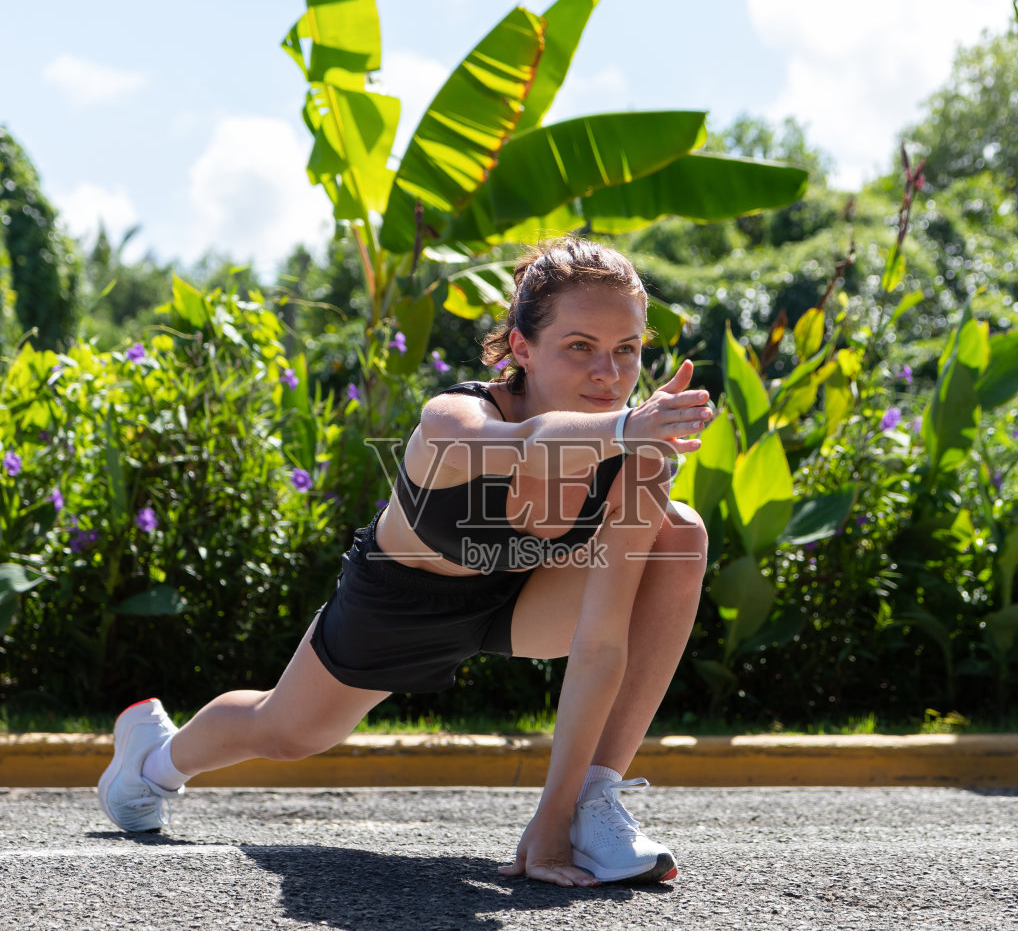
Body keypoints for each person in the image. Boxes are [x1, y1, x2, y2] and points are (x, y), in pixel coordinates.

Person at [98, 236, 712, 887]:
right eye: (580, 346)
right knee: (285, 732)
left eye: (626, 350)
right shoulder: (454, 420)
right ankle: (152, 761)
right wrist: (623, 431)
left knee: (678, 538)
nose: (608, 375)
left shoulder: (637, 456)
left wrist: (551, 820)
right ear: (523, 349)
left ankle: (594, 802)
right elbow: (526, 443)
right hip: (399, 604)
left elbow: (600, 643)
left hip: (521, 603)